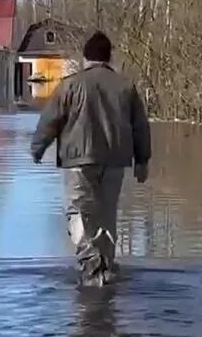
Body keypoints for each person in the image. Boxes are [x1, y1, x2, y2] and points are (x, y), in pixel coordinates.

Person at [31, 31, 152, 286]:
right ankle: (106, 267)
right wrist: (142, 161)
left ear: (85, 58)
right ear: (109, 57)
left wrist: (38, 148)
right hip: (115, 160)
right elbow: (140, 126)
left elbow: (50, 120)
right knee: (107, 215)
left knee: (78, 213)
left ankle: (90, 262)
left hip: (78, 161)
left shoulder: (70, 85)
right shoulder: (125, 87)